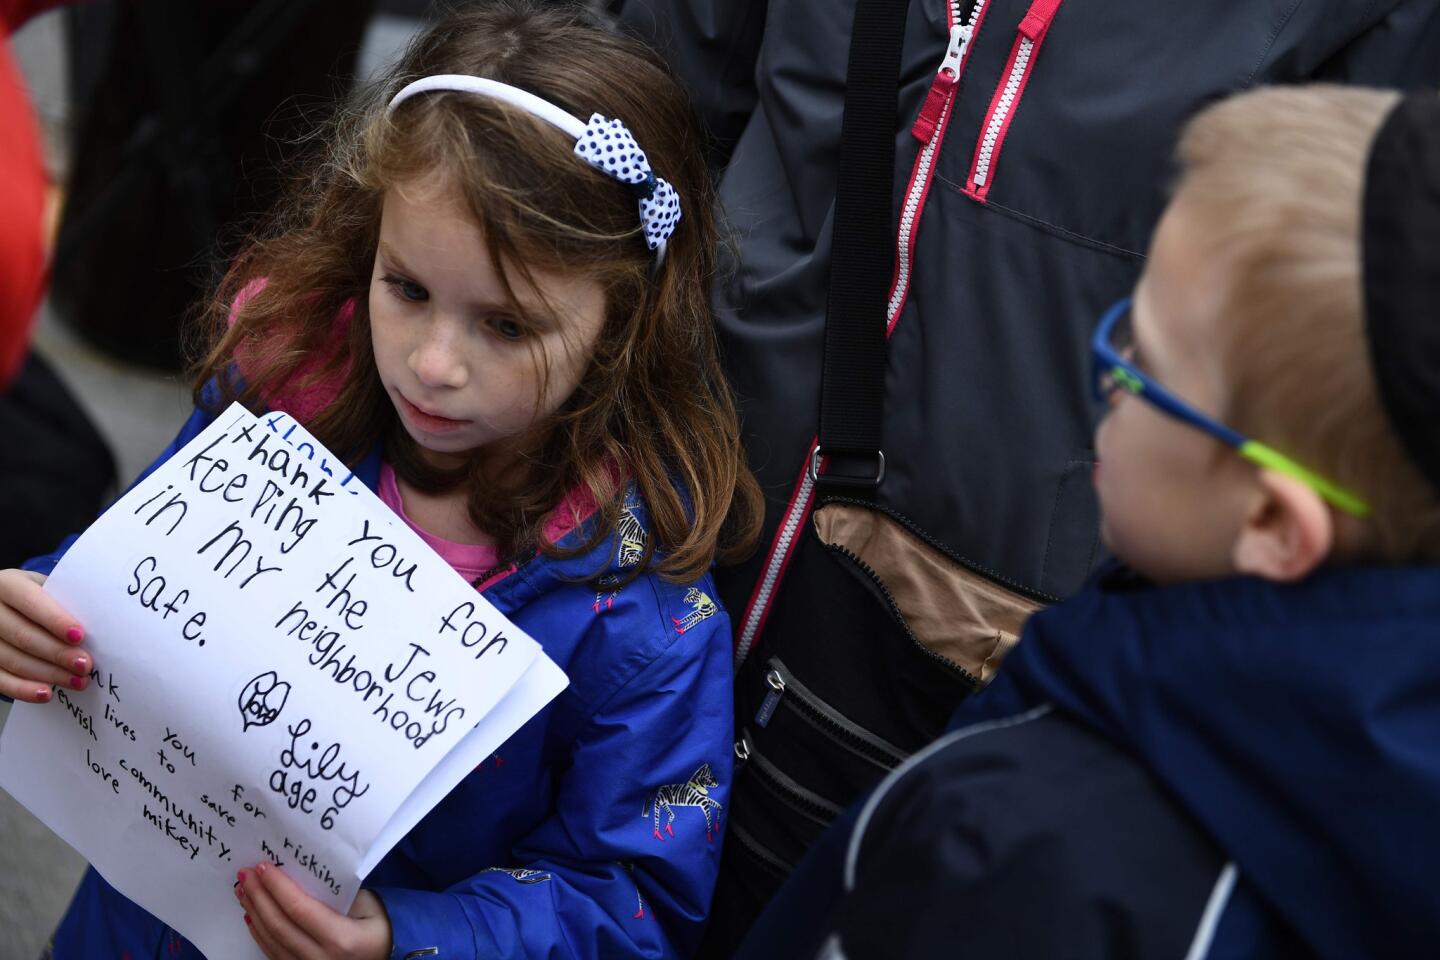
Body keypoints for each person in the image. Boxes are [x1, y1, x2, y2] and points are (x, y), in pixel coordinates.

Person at [609, 2, 1440, 949]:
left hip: (957, 668)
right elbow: (655, 102)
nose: (1109, 376)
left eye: (1139, 361)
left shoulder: (1022, 836)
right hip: (690, 553)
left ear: (1278, 518)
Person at [0, 3, 761, 958]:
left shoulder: (640, 614)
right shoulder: (282, 402)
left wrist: (411, 937)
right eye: (407, 288)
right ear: (371, 236)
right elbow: (147, 580)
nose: (435, 363)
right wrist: (46, 599)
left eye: (508, 326)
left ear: (624, 321)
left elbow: (632, 896)